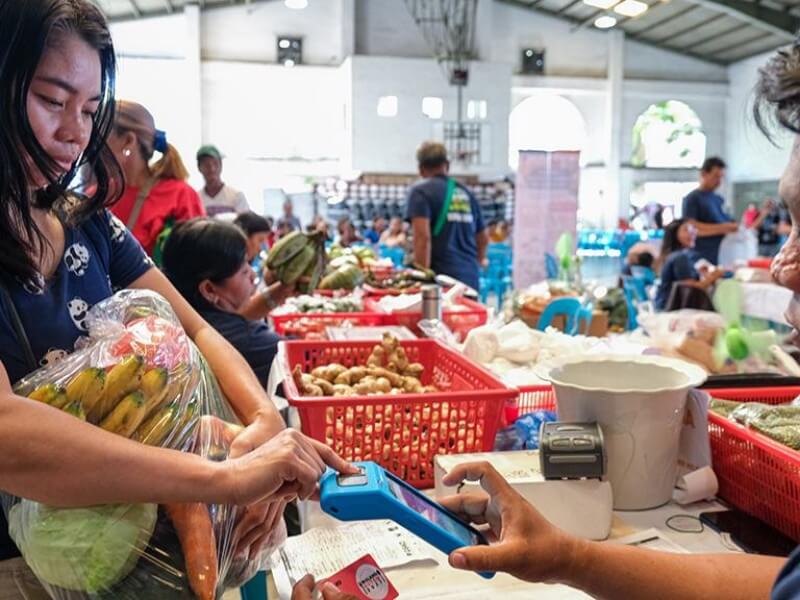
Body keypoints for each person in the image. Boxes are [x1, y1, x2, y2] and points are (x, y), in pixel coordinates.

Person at [0, 2, 354, 596]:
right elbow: (6, 433)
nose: (75, 132)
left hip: (146, 538)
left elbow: (198, 331)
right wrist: (219, 480)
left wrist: (263, 425)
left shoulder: (87, 223)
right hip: (28, 564)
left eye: (89, 110)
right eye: (52, 101)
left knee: (156, 331)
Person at [162, 218, 289, 385]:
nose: (252, 274)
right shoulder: (249, 341)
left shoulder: (170, 323)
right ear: (209, 290)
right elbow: (295, 351)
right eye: (243, 271)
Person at [107, 100, 206, 258]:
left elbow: (198, 262)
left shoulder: (180, 196)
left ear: (128, 141)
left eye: (101, 137)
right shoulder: (97, 195)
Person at [406, 142, 488, 290]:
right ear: (447, 165)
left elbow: (422, 238)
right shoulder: (466, 193)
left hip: (441, 282)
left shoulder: (420, 192)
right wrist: (477, 262)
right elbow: (482, 237)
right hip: (469, 279)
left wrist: (420, 279)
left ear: (421, 169)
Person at [654, 219, 724, 310]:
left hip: (663, 306)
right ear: (675, 234)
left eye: (693, 229)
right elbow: (692, 290)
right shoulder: (680, 257)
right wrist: (714, 276)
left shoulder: (672, 255)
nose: (693, 233)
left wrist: (702, 274)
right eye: (686, 230)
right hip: (671, 311)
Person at [681, 157, 738, 265]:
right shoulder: (692, 199)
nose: (719, 181)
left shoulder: (718, 199)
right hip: (701, 258)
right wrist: (723, 228)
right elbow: (691, 227)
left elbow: (730, 223)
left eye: (721, 177)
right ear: (704, 174)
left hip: (722, 256)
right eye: (715, 176)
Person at [196, 144, 249, 216]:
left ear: (221, 166)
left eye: (215, 164)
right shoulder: (196, 199)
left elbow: (246, 224)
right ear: (199, 168)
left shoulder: (236, 196)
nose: (212, 169)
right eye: (206, 165)